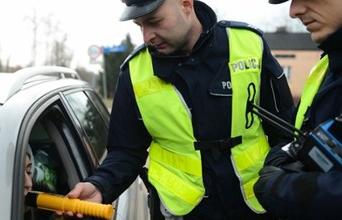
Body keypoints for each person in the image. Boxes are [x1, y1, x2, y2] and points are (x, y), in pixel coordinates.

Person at [67, 0, 295, 219]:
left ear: (186, 4)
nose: (147, 37)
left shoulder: (249, 44)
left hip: (255, 205)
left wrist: (284, 187)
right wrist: (100, 185)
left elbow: (285, 131)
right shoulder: (134, 72)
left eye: (154, 21)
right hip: (182, 213)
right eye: (140, 26)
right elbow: (125, 151)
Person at [253, 0, 342, 219]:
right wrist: (283, 157)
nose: (294, 11)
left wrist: (283, 188)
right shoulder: (329, 65)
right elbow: (298, 130)